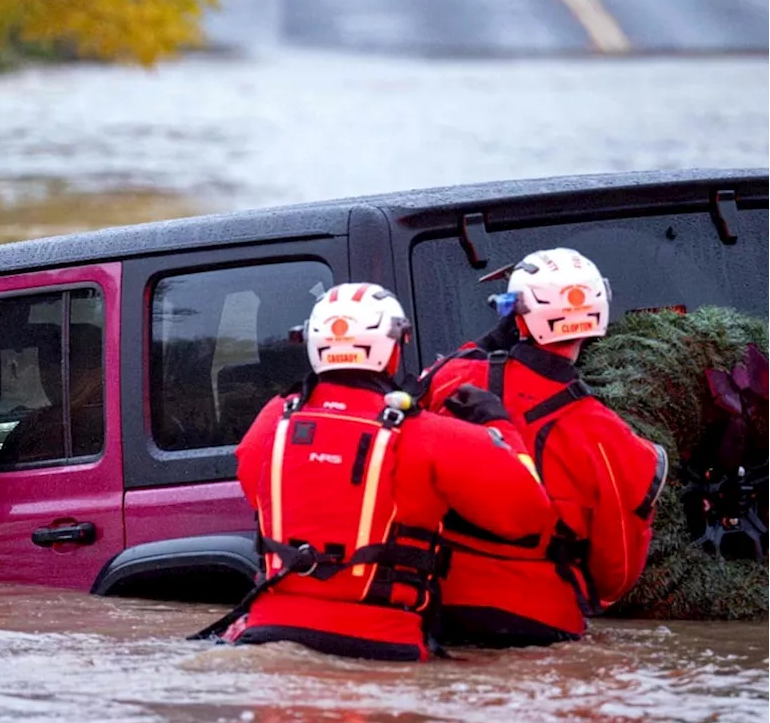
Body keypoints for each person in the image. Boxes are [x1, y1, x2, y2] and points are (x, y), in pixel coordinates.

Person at [201, 282, 553, 661]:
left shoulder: (272, 420)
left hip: (268, 634)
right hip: (384, 646)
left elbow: (256, 484)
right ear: (393, 351)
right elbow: (530, 516)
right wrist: (499, 427)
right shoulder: (430, 435)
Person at [419, 248, 667, 647]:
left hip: (438, 613)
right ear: (599, 314)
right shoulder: (610, 438)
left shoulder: (452, 380)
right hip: (542, 626)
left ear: (513, 314)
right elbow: (615, 576)